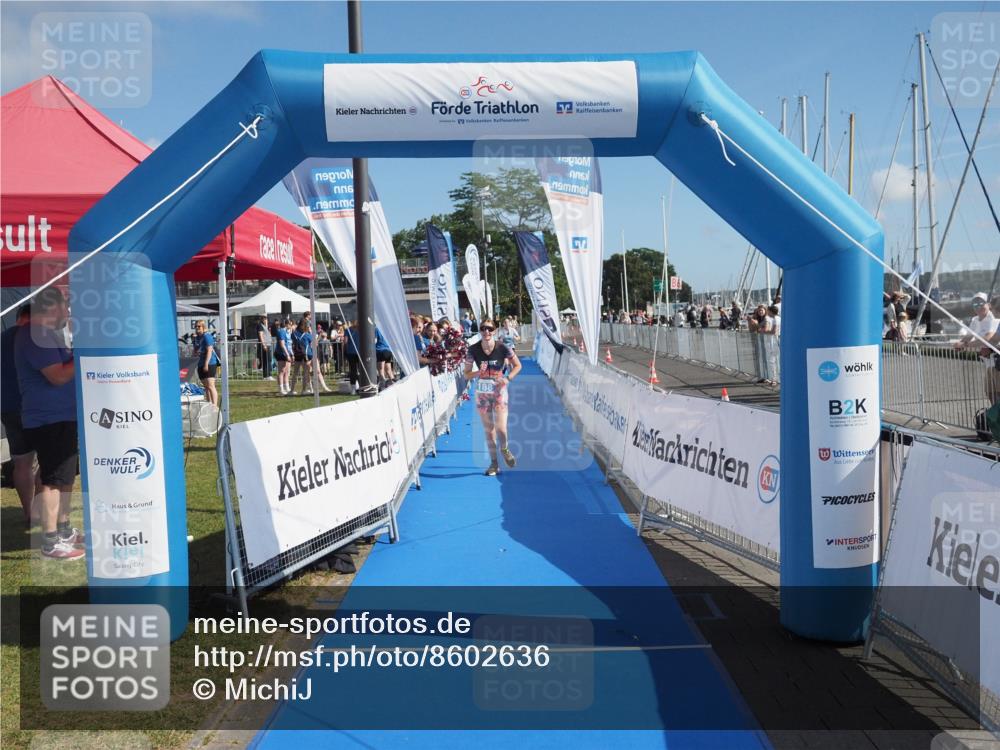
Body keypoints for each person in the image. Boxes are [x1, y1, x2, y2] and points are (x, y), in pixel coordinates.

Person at [14, 288, 83, 560]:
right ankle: (51, 541)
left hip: (60, 417)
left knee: (64, 477)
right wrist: (84, 352)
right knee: (54, 480)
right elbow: (57, 376)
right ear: (50, 308)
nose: (67, 313)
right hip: (50, 418)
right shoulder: (36, 335)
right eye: (65, 308)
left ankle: (63, 531)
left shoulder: (44, 335)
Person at [463, 319, 522, 476]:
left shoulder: (503, 347)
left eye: (489, 329)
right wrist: (478, 373)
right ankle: (494, 464)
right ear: (480, 331)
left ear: (494, 331)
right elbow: (466, 374)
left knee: (501, 428)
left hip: (499, 391)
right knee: (489, 431)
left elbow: (518, 365)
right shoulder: (473, 350)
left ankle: (504, 449)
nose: (486, 332)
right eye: (483, 329)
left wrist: (507, 379)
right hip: (482, 393)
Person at [1, 304, 38, 524]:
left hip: (8, 407)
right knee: (48, 460)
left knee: (22, 462)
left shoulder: (3, 338)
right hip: (36, 407)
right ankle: (46, 513)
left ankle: (29, 513)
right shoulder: (36, 338)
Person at [195, 320, 220, 406]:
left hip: (210, 363)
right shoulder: (198, 338)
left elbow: (209, 350)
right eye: (196, 326)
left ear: (203, 327)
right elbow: (196, 350)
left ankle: (215, 406)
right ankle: (209, 405)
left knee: (210, 385)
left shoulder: (207, 336)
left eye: (199, 326)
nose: (197, 328)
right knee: (206, 387)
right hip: (200, 363)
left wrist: (206, 363)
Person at [288, 318, 313, 396]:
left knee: (295, 373)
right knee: (305, 373)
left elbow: (293, 342)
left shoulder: (294, 334)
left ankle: (291, 390)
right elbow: (311, 343)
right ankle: (303, 390)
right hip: (305, 355)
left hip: (297, 354)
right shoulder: (308, 335)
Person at [274, 317, 293, 395]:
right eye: (290, 324)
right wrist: (287, 354)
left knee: (287, 371)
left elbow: (289, 344)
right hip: (281, 353)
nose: (291, 326)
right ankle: (281, 389)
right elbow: (282, 344)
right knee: (281, 371)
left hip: (287, 353)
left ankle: (287, 387)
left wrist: (291, 354)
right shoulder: (281, 331)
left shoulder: (287, 332)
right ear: (286, 324)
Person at [256, 316, 273, 380]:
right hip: (265, 345)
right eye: (264, 319)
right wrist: (264, 345)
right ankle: (267, 376)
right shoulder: (260, 326)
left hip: (268, 344)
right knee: (266, 360)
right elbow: (261, 335)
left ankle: (267, 375)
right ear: (262, 319)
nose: (266, 320)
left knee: (268, 360)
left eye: (266, 319)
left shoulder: (265, 326)